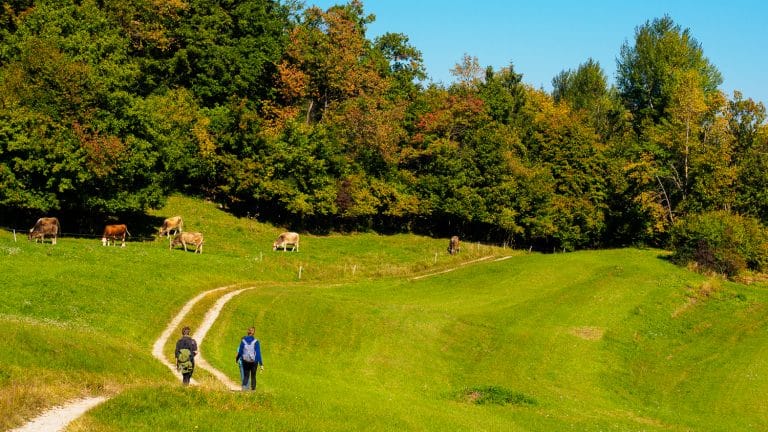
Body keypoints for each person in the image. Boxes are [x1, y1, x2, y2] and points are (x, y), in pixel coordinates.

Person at [235, 327, 263, 391]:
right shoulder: (256, 341)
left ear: (247, 332)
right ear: (254, 333)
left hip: (245, 361)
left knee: (246, 376)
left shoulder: (243, 341)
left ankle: (244, 390)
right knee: (253, 376)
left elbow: (240, 352)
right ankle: (253, 390)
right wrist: (261, 364)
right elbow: (258, 353)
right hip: (254, 362)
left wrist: (237, 359)